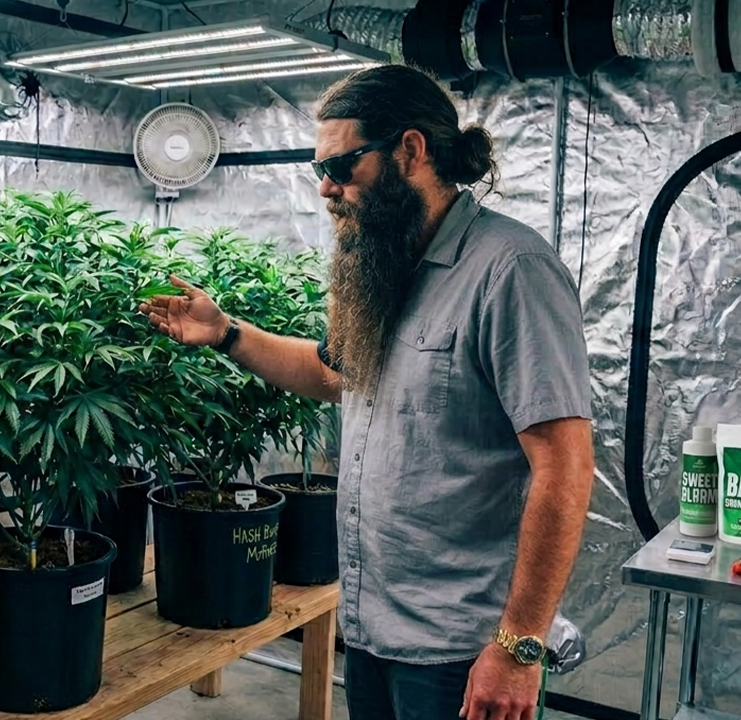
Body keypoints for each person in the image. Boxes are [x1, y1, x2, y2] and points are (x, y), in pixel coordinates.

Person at [137, 64, 595, 720]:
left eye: (341, 165)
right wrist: (227, 333)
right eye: (318, 169)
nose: (327, 187)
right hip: (372, 628)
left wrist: (520, 646)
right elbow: (335, 377)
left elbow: (565, 466)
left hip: (460, 649)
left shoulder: (510, 270)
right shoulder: (390, 262)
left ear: (410, 150)